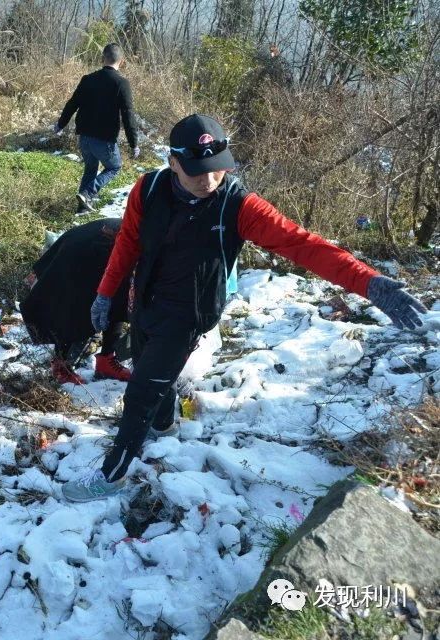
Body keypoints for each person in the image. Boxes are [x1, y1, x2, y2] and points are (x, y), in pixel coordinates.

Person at [62, 114, 427, 502]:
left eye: (216, 170)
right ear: (173, 163)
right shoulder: (148, 190)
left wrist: (367, 282)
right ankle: (165, 424)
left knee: (139, 394)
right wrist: (106, 292)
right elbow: (128, 244)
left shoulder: (236, 206)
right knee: (148, 366)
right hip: (145, 300)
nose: (208, 180)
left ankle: (112, 473)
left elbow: (303, 245)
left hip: (189, 312)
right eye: (197, 172)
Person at [21, 218, 133, 384]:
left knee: (120, 299)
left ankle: (106, 359)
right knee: (76, 305)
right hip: (86, 251)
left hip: (108, 247)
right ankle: (61, 366)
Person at [56, 43, 140, 214]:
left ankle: (82, 208)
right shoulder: (121, 83)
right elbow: (128, 115)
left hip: (84, 138)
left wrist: (60, 124)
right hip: (104, 139)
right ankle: (87, 193)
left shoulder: (88, 79)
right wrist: (134, 143)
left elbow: (72, 104)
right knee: (114, 167)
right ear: (121, 61)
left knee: (90, 168)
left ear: (103, 58)